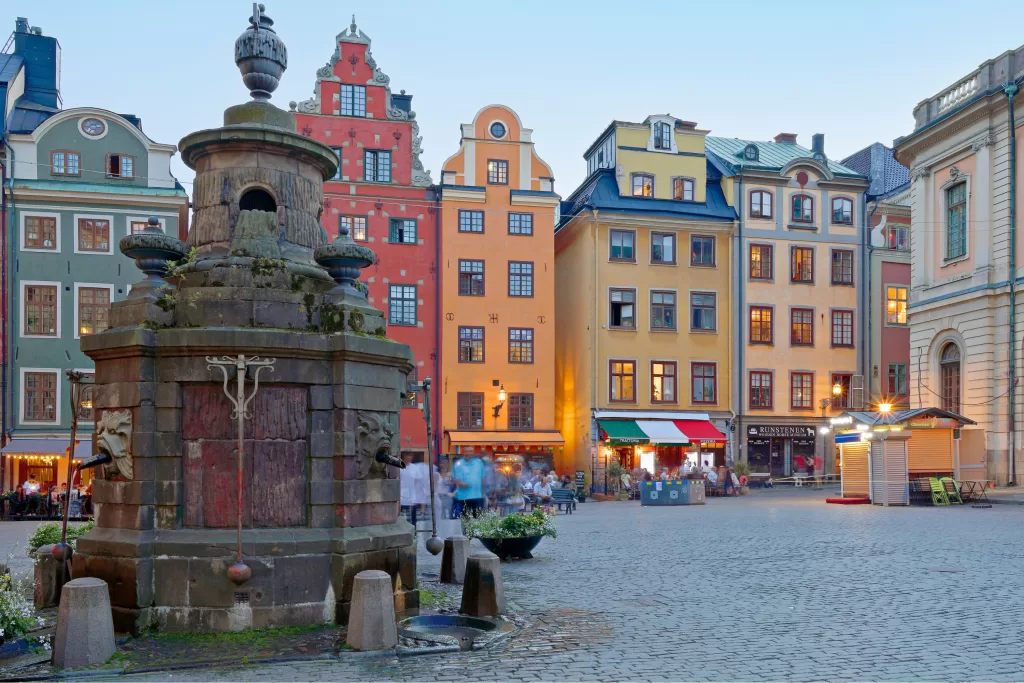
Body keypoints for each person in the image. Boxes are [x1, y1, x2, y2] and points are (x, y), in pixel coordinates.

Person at [452, 454, 486, 518]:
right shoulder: (459, 464)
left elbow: (483, 478)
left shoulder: (479, 463)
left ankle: (476, 528)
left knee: (478, 517)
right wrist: (462, 484)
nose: (468, 453)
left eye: (470, 452)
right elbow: (455, 479)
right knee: (465, 517)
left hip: (477, 496)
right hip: (464, 496)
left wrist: (484, 493)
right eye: (466, 452)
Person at [399, 452, 427, 528]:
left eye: (411, 456)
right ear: (404, 456)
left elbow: (418, 482)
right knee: (401, 517)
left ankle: (413, 534)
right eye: (408, 455)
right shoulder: (398, 466)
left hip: (411, 497)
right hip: (400, 496)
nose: (410, 457)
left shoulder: (415, 468)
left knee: (412, 519)